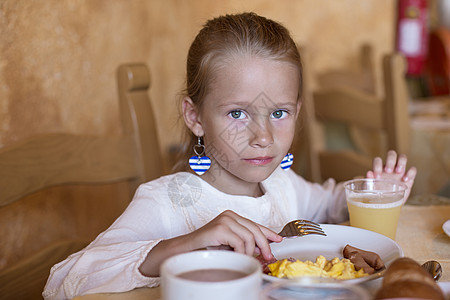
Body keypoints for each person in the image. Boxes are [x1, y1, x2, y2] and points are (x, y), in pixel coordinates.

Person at [43, 12, 416, 299]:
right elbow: (62, 281)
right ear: (196, 117)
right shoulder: (169, 202)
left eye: (278, 113)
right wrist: (186, 244)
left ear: (298, 112)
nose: (263, 137)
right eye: (237, 113)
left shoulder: (283, 185)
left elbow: (331, 206)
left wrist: (374, 191)